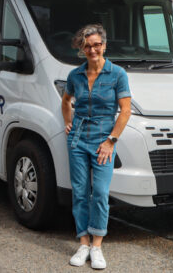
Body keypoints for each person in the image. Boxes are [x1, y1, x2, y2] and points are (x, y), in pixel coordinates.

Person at [61, 24, 132, 270]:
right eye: (87, 46)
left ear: (104, 45)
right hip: (78, 139)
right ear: (82, 49)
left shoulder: (117, 74)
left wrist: (111, 141)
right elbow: (66, 101)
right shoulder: (75, 75)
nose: (92, 49)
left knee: (100, 192)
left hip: (104, 138)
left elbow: (125, 111)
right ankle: (83, 242)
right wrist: (68, 122)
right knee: (80, 192)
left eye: (96, 45)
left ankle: (97, 246)